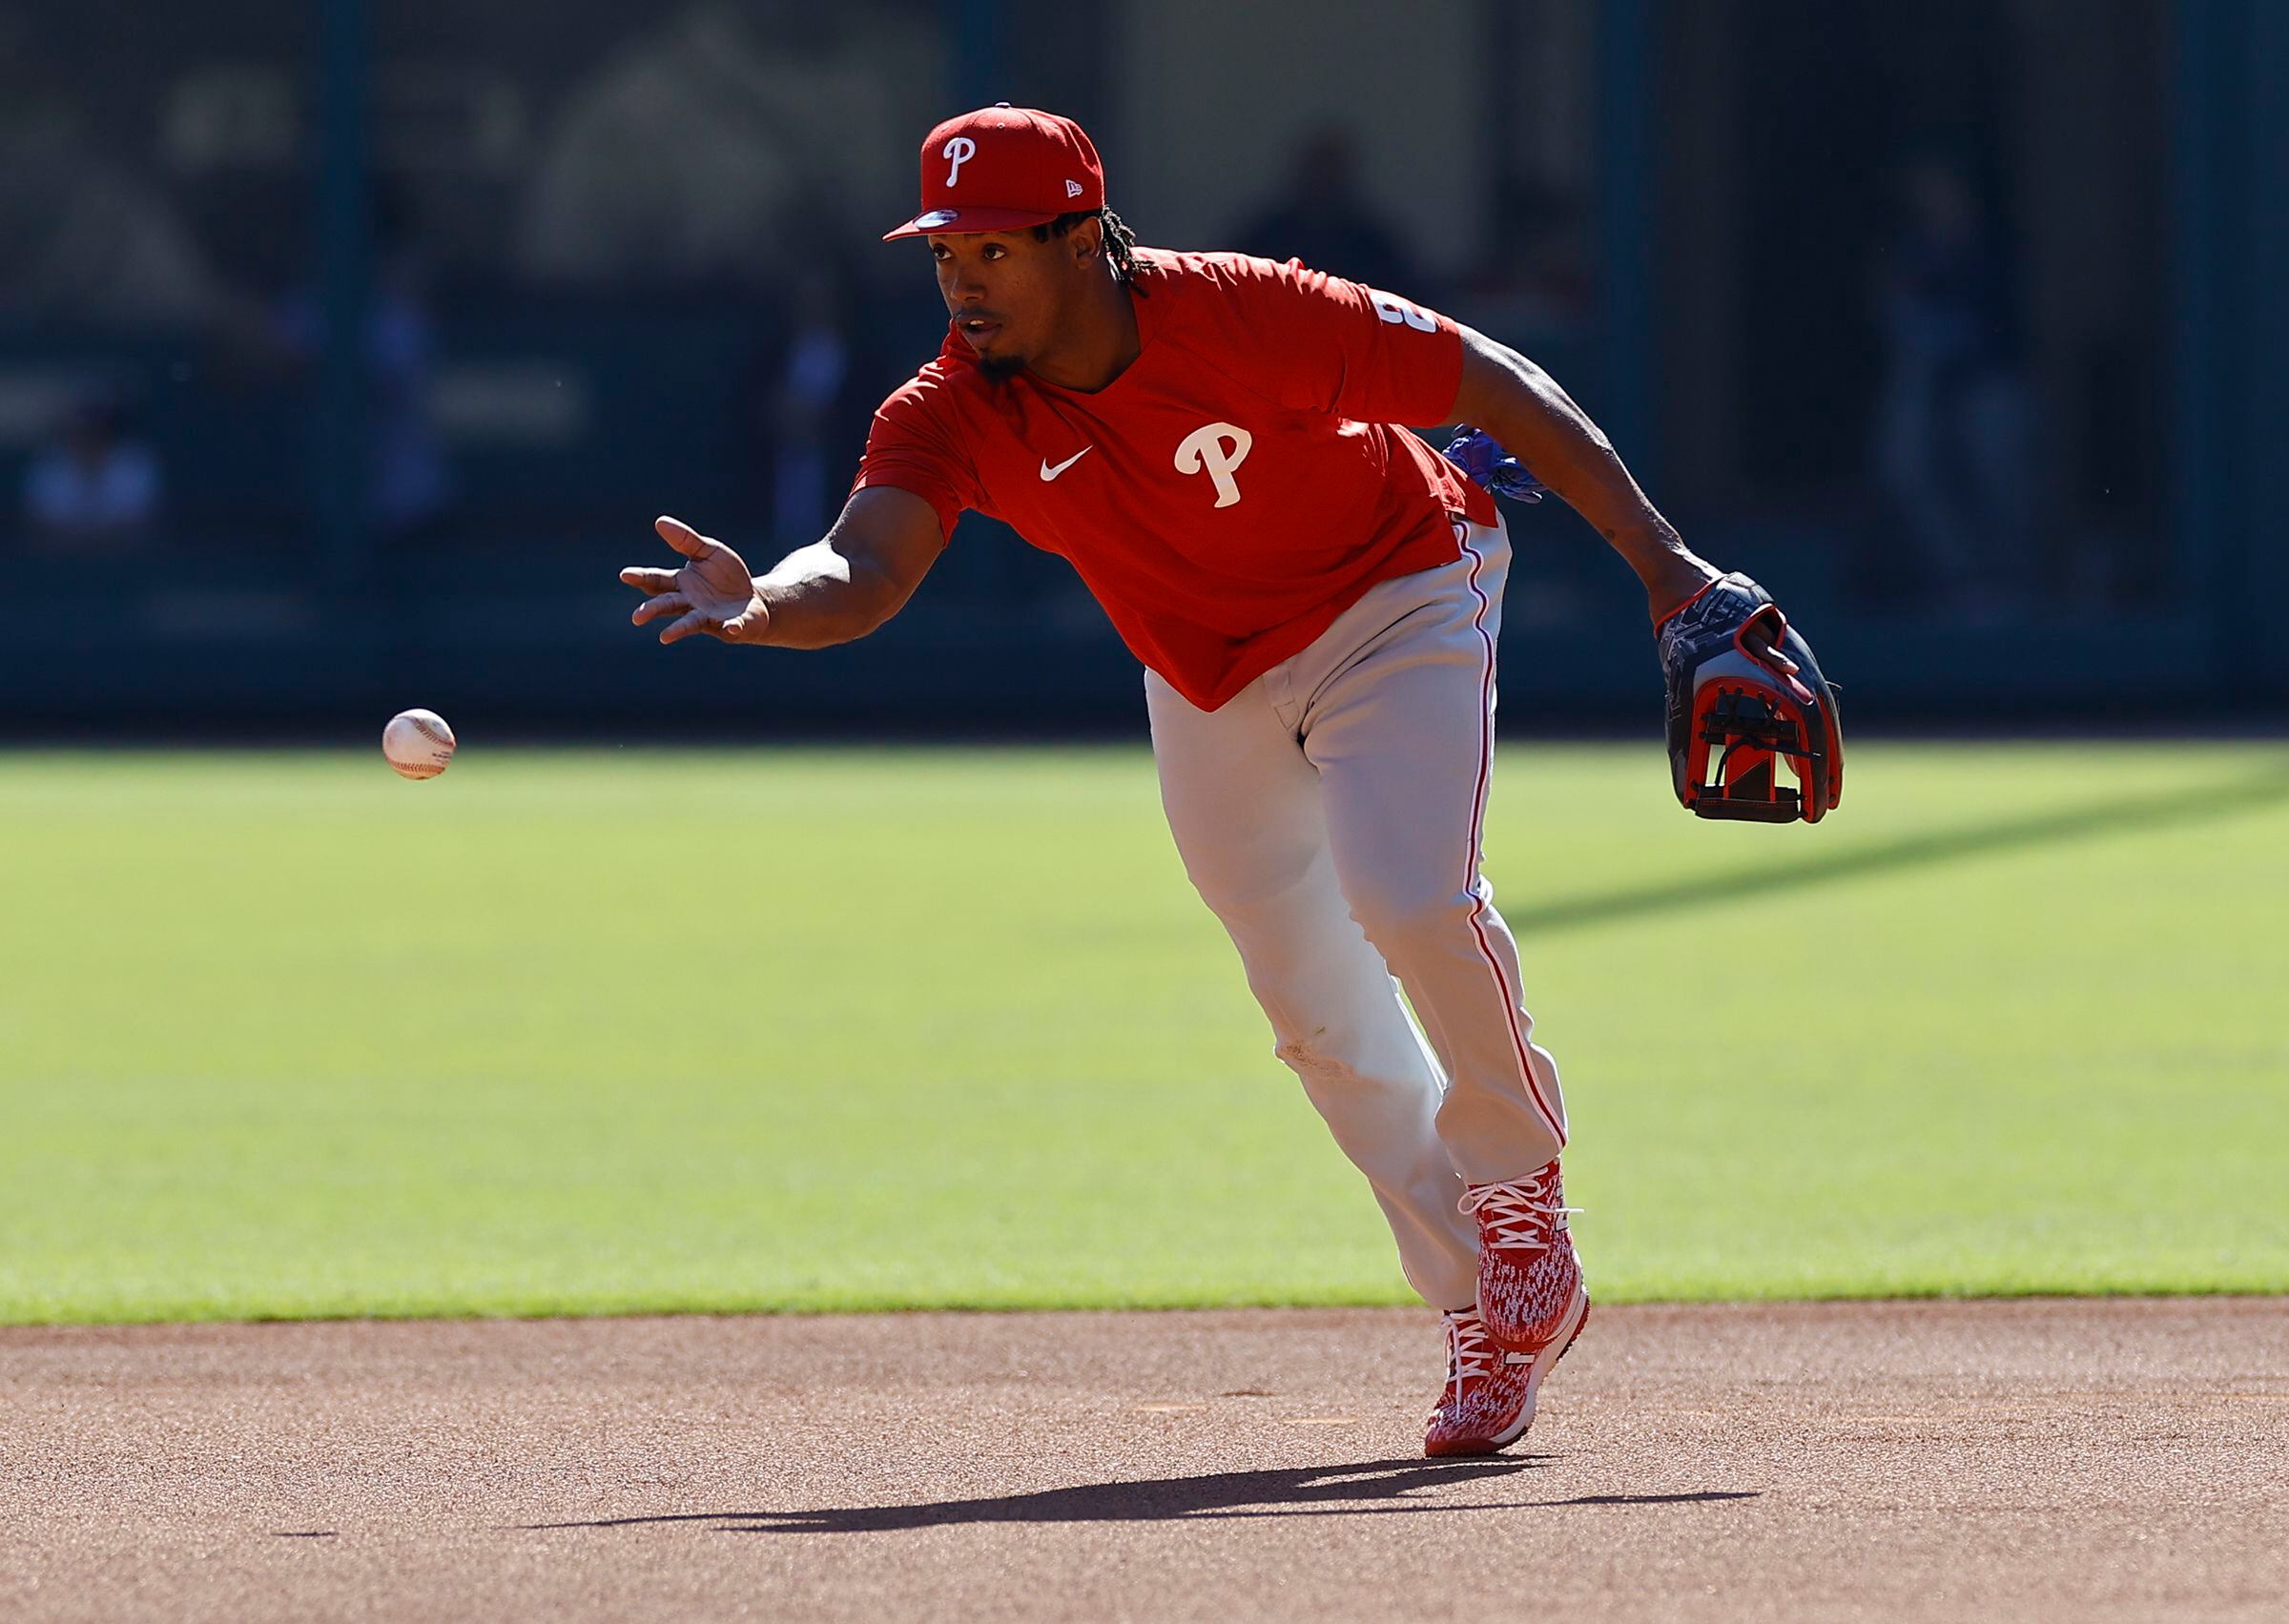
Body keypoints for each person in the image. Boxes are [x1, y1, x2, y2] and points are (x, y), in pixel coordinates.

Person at [620, 107, 1718, 1457]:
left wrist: (1671, 575)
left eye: (994, 249)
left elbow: (1493, 381)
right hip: (1206, 675)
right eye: (945, 252)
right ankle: (1479, 1307)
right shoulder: (951, 407)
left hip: (1397, 594)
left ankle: (1519, 1198)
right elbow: (865, 564)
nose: (962, 281)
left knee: (1412, 894)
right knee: (1312, 1013)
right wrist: (765, 604)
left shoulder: (1243, 311)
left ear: (1082, 236)